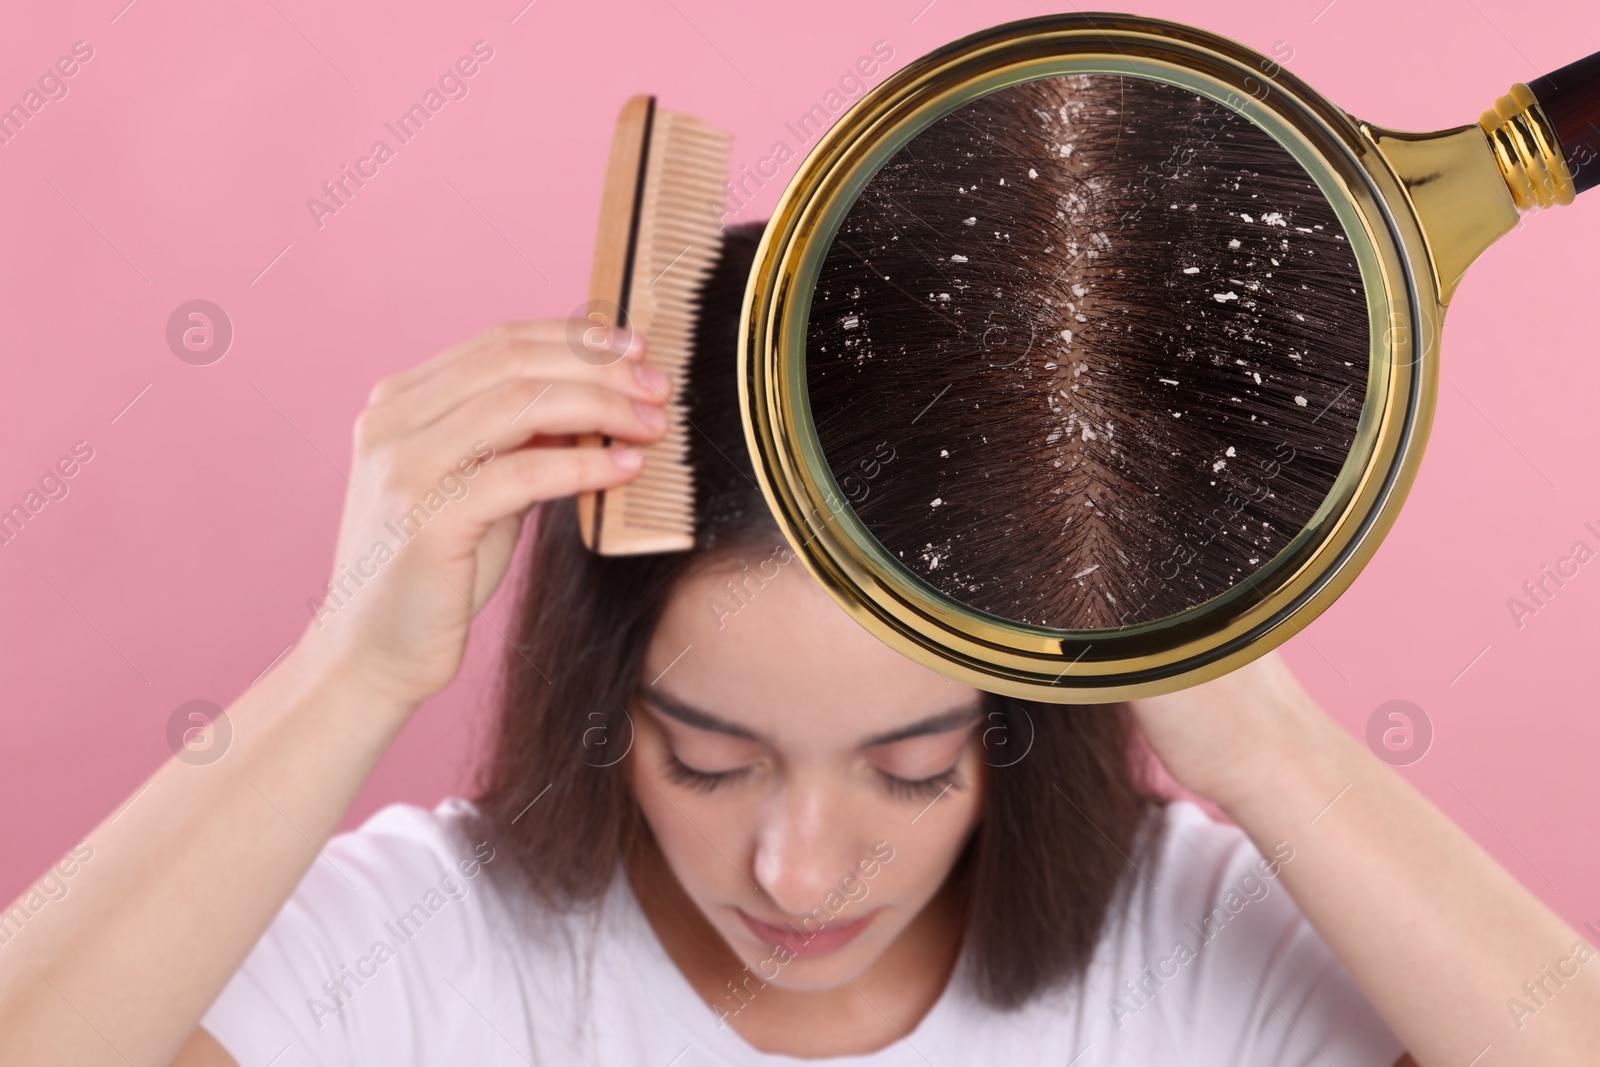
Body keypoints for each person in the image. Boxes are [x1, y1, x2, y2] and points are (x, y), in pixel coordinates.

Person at [0, 221, 1594, 1067]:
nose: (801, 874)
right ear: (602, 701)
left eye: (910, 769)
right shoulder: (426, 947)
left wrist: (1274, 747)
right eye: (708, 757)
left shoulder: (1190, 956)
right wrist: (347, 675)